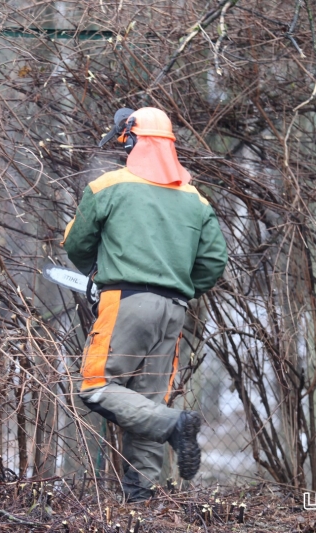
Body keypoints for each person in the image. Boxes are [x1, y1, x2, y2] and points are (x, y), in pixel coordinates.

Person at [61, 107, 228, 502]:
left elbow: (76, 243)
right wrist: (180, 288)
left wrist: (97, 270)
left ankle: (174, 425)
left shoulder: (109, 186)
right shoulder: (196, 200)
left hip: (126, 302)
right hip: (174, 310)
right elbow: (214, 262)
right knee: (148, 403)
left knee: (97, 386)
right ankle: (143, 502)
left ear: (133, 142)